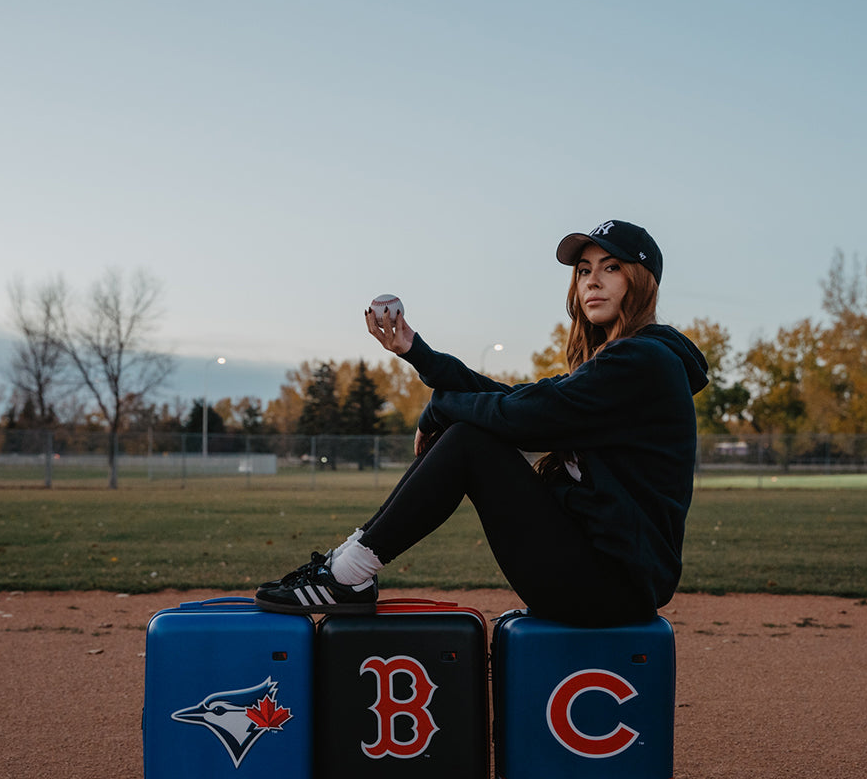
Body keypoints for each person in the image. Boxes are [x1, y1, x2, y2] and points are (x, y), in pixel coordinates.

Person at [255, 220, 708, 627]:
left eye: (611, 267)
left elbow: (520, 417)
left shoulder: (641, 361)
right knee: (470, 432)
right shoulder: (621, 360)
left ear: (642, 281)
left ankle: (347, 573)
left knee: (471, 441)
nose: (592, 280)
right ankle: (349, 568)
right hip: (598, 573)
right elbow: (514, 400)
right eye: (584, 269)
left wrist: (442, 407)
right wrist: (418, 353)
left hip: (609, 586)